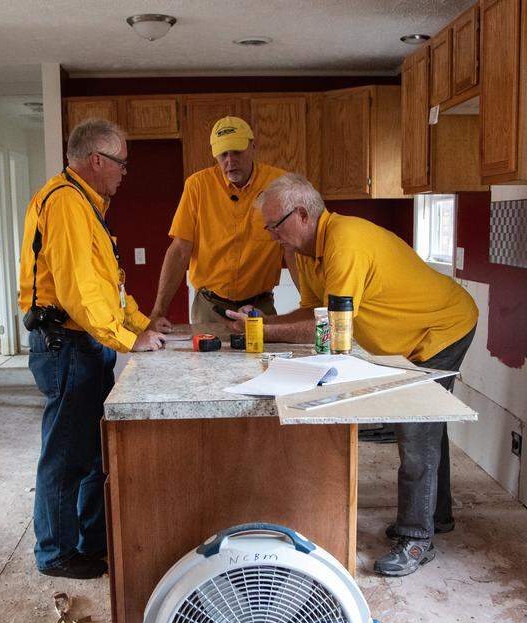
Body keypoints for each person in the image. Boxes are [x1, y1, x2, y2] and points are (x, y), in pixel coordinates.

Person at [232, 173, 479, 577]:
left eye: (274, 225)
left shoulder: (346, 241)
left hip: (443, 327)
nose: (269, 234)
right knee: (427, 424)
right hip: (414, 336)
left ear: (301, 215)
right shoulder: (306, 254)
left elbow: (328, 325)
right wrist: (266, 321)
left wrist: (261, 331)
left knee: (416, 428)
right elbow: (313, 313)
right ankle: (439, 516)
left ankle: (417, 538)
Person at [17, 118, 169, 579]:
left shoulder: (85, 203)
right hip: (66, 345)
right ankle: (56, 553)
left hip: (82, 345)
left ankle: (88, 541)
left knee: (88, 452)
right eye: (121, 163)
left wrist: (142, 322)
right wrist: (128, 339)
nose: (125, 172)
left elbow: (107, 286)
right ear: (97, 160)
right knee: (65, 455)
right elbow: (80, 292)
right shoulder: (66, 203)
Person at [151, 116, 289, 326]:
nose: (230, 161)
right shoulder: (197, 186)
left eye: (237, 152)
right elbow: (180, 250)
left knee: (263, 359)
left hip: (259, 308)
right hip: (210, 307)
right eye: (223, 154)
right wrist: (158, 312)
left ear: (253, 147)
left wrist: (312, 308)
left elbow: (293, 248)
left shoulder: (279, 183)